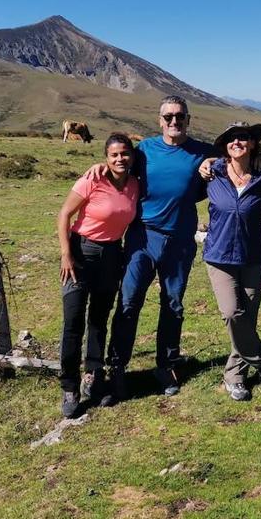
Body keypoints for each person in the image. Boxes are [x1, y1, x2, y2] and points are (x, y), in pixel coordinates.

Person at [102, 96, 215, 403]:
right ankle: (117, 368)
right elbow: (117, 169)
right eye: (168, 117)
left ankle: (166, 365)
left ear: (188, 119)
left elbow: (239, 154)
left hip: (180, 241)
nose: (173, 122)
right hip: (143, 237)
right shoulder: (144, 151)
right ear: (159, 120)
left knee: (173, 304)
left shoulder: (203, 152)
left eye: (179, 116)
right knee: (129, 302)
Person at [56, 132, 140, 417]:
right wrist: (66, 254)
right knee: (73, 320)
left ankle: (93, 374)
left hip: (112, 255)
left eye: (124, 153)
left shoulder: (134, 184)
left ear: (132, 156)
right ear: (106, 158)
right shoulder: (92, 179)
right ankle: (69, 385)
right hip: (82, 252)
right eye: (114, 154)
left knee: (99, 320)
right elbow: (64, 215)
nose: (120, 159)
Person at [202, 122, 261, 400]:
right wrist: (206, 162)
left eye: (243, 138)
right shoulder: (212, 173)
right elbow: (182, 192)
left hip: (252, 257)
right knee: (231, 313)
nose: (237, 142)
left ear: (252, 144)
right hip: (219, 256)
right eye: (231, 138)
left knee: (246, 318)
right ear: (225, 145)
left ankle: (235, 376)